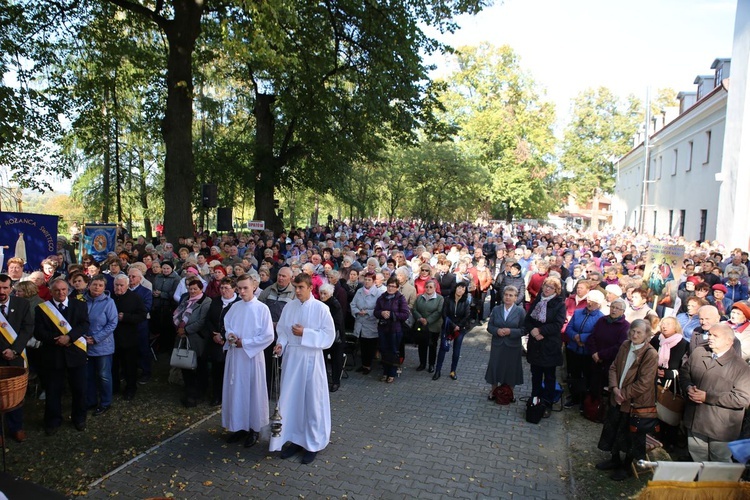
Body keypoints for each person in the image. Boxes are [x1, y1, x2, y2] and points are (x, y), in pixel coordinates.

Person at [271, 273, 336, 465]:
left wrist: (305, 333)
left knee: (312, 401)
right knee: (292, 400)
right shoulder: (289, 306)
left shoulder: (321, 308)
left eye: (301, 287)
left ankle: (313, 443)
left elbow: (329, 335)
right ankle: (295, 439)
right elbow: (282, 329)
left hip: (311, 358)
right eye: (295, 287)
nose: (297, 291)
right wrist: (281, 344)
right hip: (292, 358)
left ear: (310, 288)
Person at [596, 319, 658, 481]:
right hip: (617, 396)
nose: (634, 335)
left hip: (634, 403)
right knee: (613, 428)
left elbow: (645, 382)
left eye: (639, 332)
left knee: (630, 436)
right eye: (632, 331)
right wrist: (615, 388)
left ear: (647, 335)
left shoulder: (650, 354)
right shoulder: (625, 345)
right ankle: (614, 459)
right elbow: (614, 367)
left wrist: (623, 394)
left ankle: (626, 467)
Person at [680, 323, 750, 462]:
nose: (710, 338)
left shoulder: (741, 367)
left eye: (715, 336)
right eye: (710, 334)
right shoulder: (699, 353)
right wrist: (688, 387)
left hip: (720, 427)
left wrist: (707, 397)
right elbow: (684, 373)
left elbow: (743, 398)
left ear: (729, 341)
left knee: (720, 464)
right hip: (695, 419)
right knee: (698, 460)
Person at [222, 272, 275, 448]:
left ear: (254, 287)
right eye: (240, 288)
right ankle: (239, 426)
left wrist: (244, 343)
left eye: (246, 288)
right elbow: (228, 325)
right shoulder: (235, 307)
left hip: (251, 357)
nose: (242, 291)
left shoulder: (261, 309)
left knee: (253, 392)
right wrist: (229, 336)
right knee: (236, 391)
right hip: (235, 357)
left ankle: (254, 428)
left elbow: (268, 336)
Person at [35, 278, 90, 434]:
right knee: (53, 390)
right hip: (53, 355)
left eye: (64, 289)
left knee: (79, 389)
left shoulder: (79, 305)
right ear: (51, 291)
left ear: (68, 290)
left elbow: (84, 324)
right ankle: (53, 421)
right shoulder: (42, 309)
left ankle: (79, 418)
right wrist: (57, 340)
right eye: (57, 290)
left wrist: (69, 337)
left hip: (75, 353)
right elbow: (39, 332)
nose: (61, 293)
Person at [525, 276, 566, 417]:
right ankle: (535, 400)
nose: (547, 289)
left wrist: (541, 331)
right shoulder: (538, 300)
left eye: (551, 287)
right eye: (545, 286)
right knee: (535, 376)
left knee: (549, 377)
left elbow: (558, 324)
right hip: (535, 345)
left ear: (556, 290)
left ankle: (547, 403)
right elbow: (528, 319)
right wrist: (533, 331)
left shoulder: (559, 304)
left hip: (549, 346)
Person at [0, 273, 34, 442]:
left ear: (11, 288)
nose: (2, 291)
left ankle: (16, 427)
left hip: (16, 356)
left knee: (16, 393)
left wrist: (13, 350)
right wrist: (3, 350)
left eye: (5, 287)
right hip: (0, 356)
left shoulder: (22, 304)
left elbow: (27, 328)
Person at [650, 316, 688, 449]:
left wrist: (668, 373)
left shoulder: (683, 343)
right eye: (663, 323)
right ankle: (656, 436)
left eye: (668, 324)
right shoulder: (656, 339)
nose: (664, 326)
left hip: (672, 381)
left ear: (676, 327)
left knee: (669, 410)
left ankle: (670, 440)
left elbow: (684, 365)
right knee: (656, 409)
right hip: (654, 378)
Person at [173, 277, 212, 407]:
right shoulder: (185, 299)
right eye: (190, 288)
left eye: (195, 289)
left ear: (201, 289)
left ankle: (200, 391)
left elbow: (202, 321)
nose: (192, 291)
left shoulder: (206, 301)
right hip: (182, 337)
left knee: (199, 365)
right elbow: (178, 313)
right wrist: (179, 327)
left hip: (196, 338)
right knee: (186, 365)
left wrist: (186, 330)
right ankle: (188, 389)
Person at [564, 289, 605, 409]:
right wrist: (575, 337)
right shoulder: (578, 313)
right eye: (589, 300)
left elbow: (596, 333)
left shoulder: (600, 318)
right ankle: (574, 397)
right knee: (574, 374)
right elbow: (569, 328)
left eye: (594, 302)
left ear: (599, 304)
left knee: (587, 376)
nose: (590, 304)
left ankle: (584, 400)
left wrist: (581, 337)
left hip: (587, 351)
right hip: (573, 348)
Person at [202, 276, 240, 406]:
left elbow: (237, 323)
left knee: (229, 370)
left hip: (229, 341)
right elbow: (208, 319)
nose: (223, 291)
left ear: (234, 289)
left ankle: (229, 396)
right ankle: (216, 395)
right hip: (214, 340)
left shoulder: (238, 303)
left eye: (226, 288)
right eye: (221, 288)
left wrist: (224, 336)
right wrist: (214, 334)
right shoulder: (215, 301)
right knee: (216, 369)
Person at [84, 274, 118, 416]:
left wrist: (96, 338)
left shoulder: (108, 302)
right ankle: (90, 400)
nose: (97, 287)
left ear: (104, 288)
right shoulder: (82, 301)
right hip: (85, 344)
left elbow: (112, 323)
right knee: (88, 375)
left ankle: (105, 402)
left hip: (102, 345)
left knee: (104, 375)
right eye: (94, 284)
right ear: (89, 285)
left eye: (100, 285)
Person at [485, 285, 526, 403]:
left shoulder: (520, 311)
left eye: (511, 295)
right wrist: (496, 331)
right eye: (506, 295)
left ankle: (510, 392)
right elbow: (490, 326)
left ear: (516, 298)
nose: (508, 297)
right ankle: (493, 390)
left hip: (513, 345)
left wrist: (511, 331)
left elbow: (524, 329)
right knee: (495, 366)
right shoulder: (497, 309)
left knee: (511, 368)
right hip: (498, 343)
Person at [111, 274, 147, 401]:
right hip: (111, 338)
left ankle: (130, 388)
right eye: (116, 285)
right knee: (113, 366)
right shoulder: (109, 296)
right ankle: (114, 387)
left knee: (129, 366)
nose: (118, 287)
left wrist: (126, 317)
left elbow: (142, 315)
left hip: (129, 337)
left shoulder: (135, 297)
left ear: (127, 286)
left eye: (121, 285)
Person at [373, 277, 410, 383]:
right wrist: (381, 313)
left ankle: (392, 373)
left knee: (393, 351)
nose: (390, 288)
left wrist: (392, 315)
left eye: (393, 286)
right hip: (383, 328)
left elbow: (405, 314)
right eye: (389, 285)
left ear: (397, 288)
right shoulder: (382, 297)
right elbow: (376, 312)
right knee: (384, 350)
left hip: (395, 329)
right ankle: (385, 372)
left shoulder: (400, 298)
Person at [434, 281, 471, 381]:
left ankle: (453, 371)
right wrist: (453, 325)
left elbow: (467, 316)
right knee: (443, 348)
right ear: (455, 288)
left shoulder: (465, 302)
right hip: (448, 327)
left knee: (456, 350)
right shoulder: (447, 299)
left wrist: (459, 326)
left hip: (460, 328)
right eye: (459, 288)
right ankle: (438, 371)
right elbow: (444, 314)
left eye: (463, 289)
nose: (461, 290)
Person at [350, 272, 381, 375]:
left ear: (373, 281)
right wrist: (357, 311)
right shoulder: (359, 291)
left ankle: (368, 365)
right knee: (362, 345)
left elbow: (378, 309)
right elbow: (353, 304)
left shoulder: (378, 293)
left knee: (370, 346)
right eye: (366, 279)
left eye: (369, 280)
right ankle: (363, 364)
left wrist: (367, 312)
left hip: (371, 323)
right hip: (360, 321)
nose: (367, 282)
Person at [412, 280, 445, 374]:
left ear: (435, 288)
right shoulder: (420, 298)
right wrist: (420, 318)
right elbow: (414, 309)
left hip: (433, 326)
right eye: (427, 287)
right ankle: (422, 363)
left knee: (432, 346)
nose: (428, 289)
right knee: (422, 345)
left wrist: (428, 320)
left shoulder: (440, 299)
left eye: (431, 287)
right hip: (421, 325)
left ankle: (431, 364)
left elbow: (439, 312)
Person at [127, 268, 153, 385]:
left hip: (140, 324)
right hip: (125, 326)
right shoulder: (123, 290)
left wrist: (128, 315)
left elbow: (146, 308)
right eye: (129, 276)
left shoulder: (145, 291)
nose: (131, 279)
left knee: (143, 349)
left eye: (133, 277)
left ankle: (145, 371)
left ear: (140, 278)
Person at [320, 283, 347, 391]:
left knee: (336, 361)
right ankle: (323, 380)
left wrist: (326, 331)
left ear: (330, 294)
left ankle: (336, 382)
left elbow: (337, 323)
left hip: (336, 338)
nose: (322, 295)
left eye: (325, 293)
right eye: (321, 293)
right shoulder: (320, 304)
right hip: (324, 337)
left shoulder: (335, 304)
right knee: (322, 359)